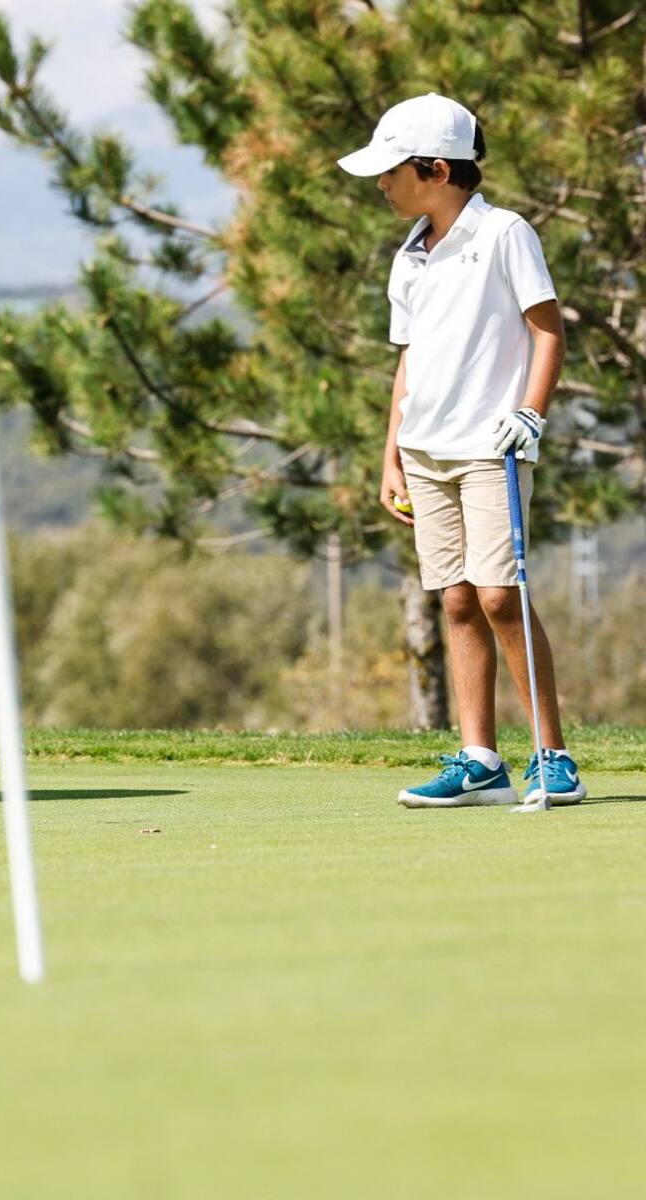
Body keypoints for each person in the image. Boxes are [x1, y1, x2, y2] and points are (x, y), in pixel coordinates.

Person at [338, 92, 585, 808]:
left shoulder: (505, 234)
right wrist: (391, 455)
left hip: (490, 446)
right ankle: (481, 758)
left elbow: (548, 332)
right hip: (426, 451)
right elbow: (408, 363)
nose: (382, 184)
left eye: (392, 171)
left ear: (436, 169)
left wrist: (530, 415)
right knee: (454, 601)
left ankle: (552, 753)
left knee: (499, 595)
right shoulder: (409, 256)